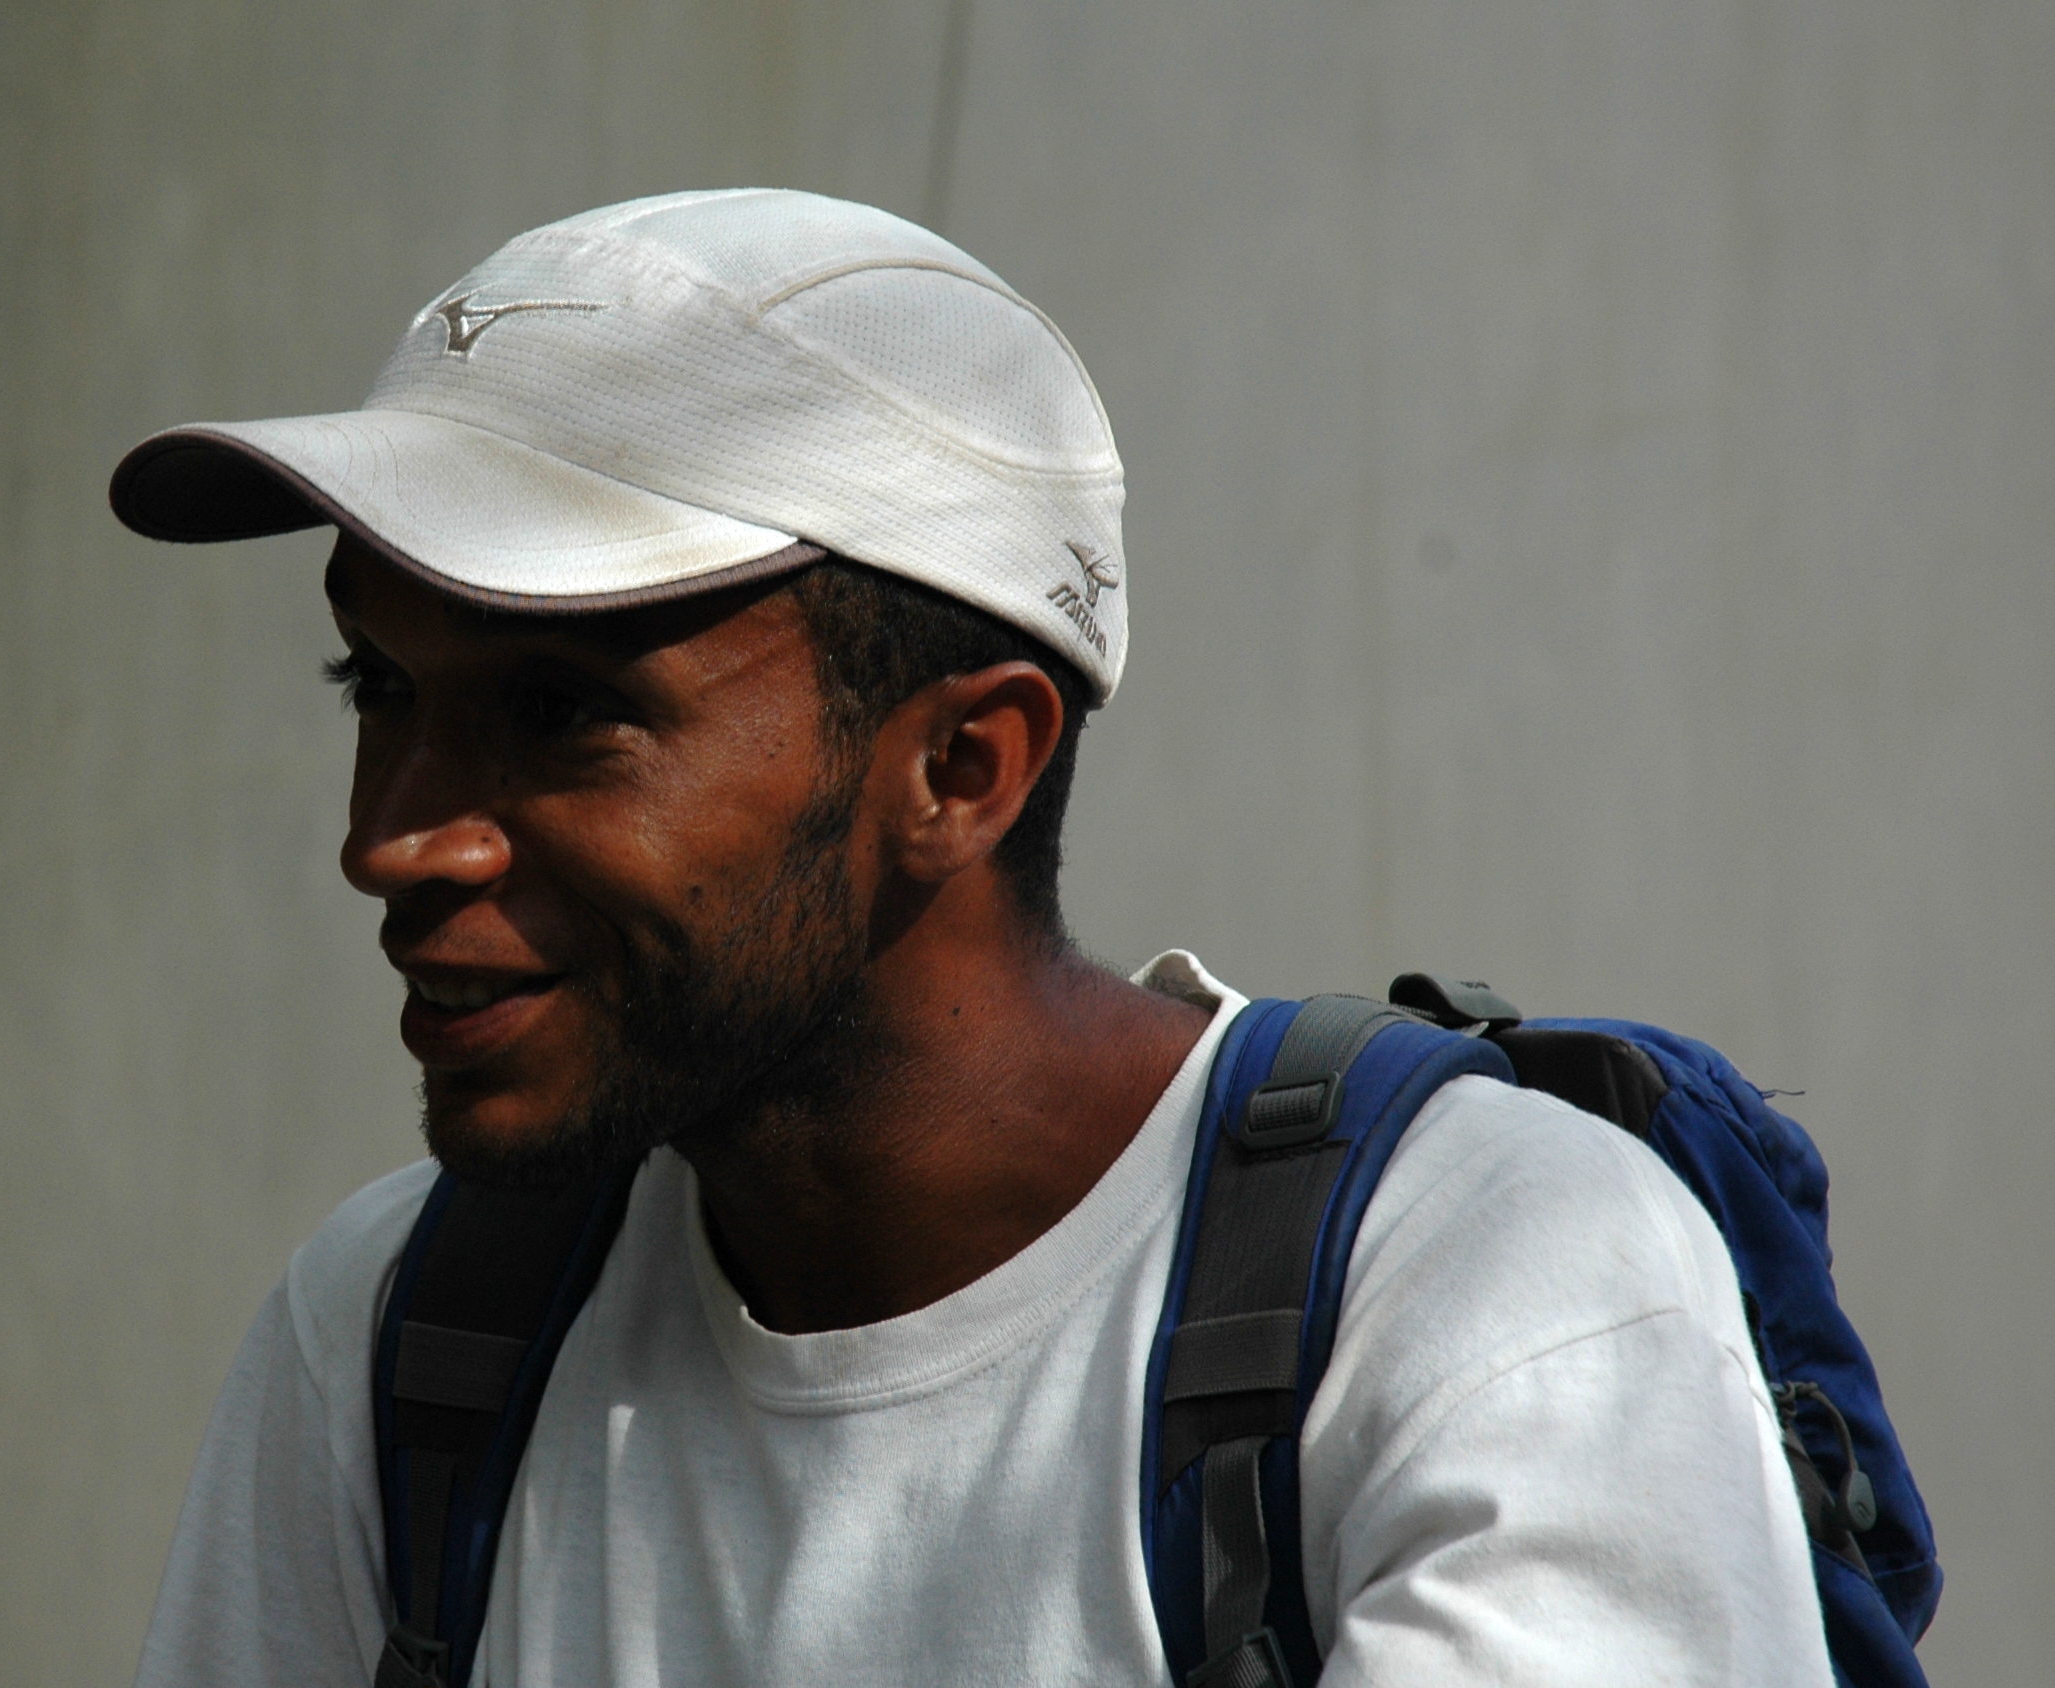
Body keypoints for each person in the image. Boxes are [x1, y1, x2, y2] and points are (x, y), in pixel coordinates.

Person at [110, 189, 1830, 1686]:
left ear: (959, 768)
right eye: (378, 687)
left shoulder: (1480, 1286)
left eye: (560, 713)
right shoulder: (403, 1341)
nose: (392, 841)